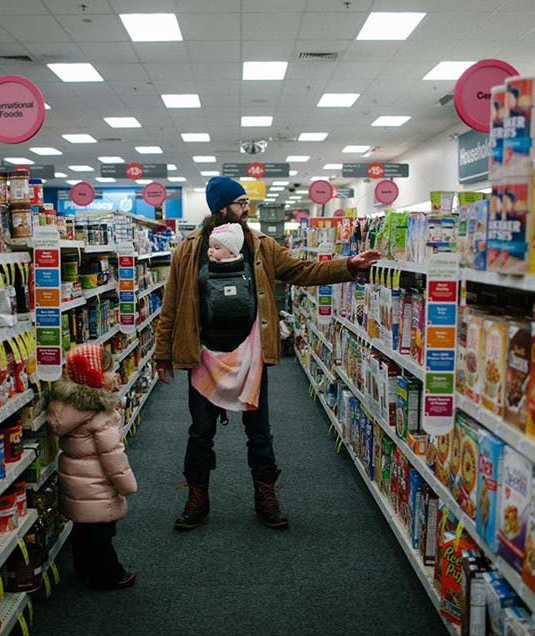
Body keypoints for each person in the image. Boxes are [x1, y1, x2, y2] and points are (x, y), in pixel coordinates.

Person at [155, 176, 381, 531]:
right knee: (200, 432)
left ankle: (266, 497)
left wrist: (348, 267)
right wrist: (162, 353)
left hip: (250, 354)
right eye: (241, 202)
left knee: (259, 431)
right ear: (221, 207)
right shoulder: (189, 249)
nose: (247, 209)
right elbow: (171, 304)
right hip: (203, 355)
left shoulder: (260, 245)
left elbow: (300, 271)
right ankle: (197, 497)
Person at [49, 344, 138, 590]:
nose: (115, 372)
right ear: (95, 375)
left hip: (76, 482)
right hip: (96, 485)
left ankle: (83, 566)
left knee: (83, 527)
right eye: (110, 370)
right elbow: (113, 456)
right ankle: (109, 575)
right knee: (102, 533)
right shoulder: (100, 413)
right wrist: (127, 484)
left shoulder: (67, 406)